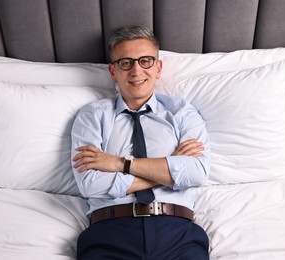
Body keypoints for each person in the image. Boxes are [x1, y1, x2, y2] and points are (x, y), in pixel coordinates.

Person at [71, 25, 211, 259]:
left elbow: (197, 173)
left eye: (145, 61)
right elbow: (90, 184)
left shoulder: (182, 113)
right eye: (125, 63)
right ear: (113, 71)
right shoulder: (92, 116)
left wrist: (119, 164)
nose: (136, 71)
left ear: (158, 67)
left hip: (177, 231)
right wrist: (170, 169)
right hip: (110, 232)